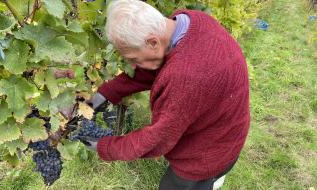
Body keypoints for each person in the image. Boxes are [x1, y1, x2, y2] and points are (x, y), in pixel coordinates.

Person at [83, 0, 250, 189]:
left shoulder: (186, 77)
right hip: (221, 125)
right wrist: (104, 94)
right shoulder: (188, 21)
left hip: (209, 152)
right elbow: (151, 67)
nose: (132, 66)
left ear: (153, 42)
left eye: (133, 59)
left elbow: (159, 139)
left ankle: (211, 180)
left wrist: (105, 147)